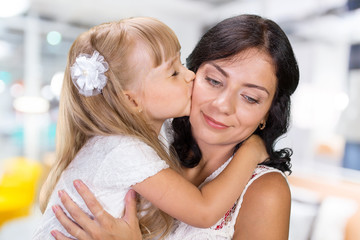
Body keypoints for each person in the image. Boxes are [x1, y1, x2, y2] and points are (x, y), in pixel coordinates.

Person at [50, 14, 299, 240]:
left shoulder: (265, 192)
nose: (223, 105)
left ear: (268, 112)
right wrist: (253, 148)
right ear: (195, 72)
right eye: (213, 80)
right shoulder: (148, 144)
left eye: (250, 98)